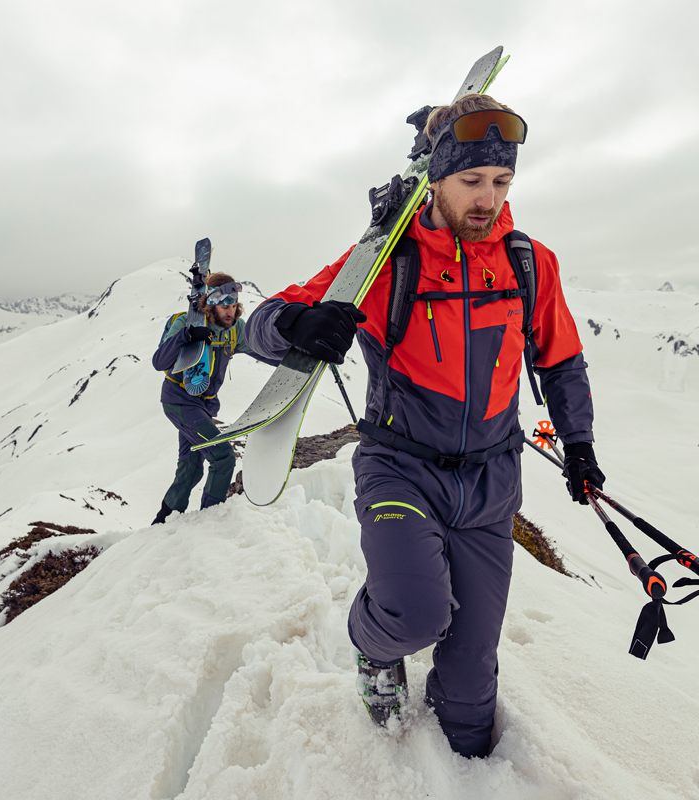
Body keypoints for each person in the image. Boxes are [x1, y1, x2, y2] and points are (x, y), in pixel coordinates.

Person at [243, 94, 605, 758]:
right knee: (413, 616)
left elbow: (560, 358)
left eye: (501, 182)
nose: (487, 199)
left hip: (492, 483)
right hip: (401, 468)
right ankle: (370, 644)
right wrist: (295, 324)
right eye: (471, 180)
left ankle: (464, 764)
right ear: (434, 179)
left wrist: (577, 443)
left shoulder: (528, 263)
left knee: (471, 697)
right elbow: (260, 324)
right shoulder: (386, 263)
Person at [151, 273, 279, 524]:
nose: (230, 311)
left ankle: (163, 522)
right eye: (224, 306)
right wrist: (186, 336)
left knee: (190, 469)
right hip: (178, 400)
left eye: (233, 305)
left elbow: (261, 351)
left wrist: (298, 358)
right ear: (210, 305)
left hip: (204, 406)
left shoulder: (234, 330)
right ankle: (211, 521)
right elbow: (159, 362)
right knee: (223, 457)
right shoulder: (184, 322)